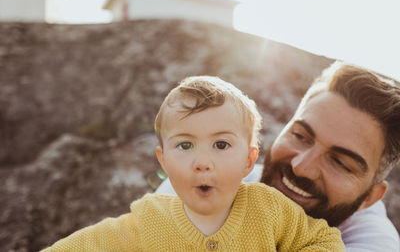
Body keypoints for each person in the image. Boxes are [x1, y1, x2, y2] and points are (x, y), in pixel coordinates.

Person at [41, 76, 345, 251]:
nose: (202, 162)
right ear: (163, 161)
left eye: (222, 145)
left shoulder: (269, 208)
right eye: (185, 145)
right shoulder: (149, 219)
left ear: (248, 161)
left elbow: (324, 239)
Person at [157, 62, 400, 251]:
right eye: (300, 136)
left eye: (339, 162)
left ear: (370, 197)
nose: (302, 166)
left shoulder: (373, 243)